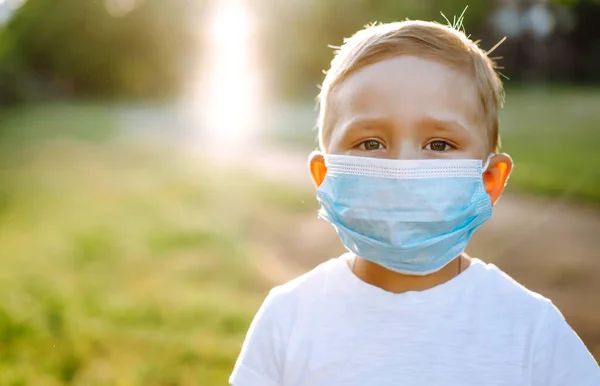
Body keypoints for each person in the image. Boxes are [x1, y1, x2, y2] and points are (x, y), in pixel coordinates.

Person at [229, 20, 600, 386]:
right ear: (325, 176)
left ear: (488, 181)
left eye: (439, 144)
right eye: (371, 143)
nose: (401, 169)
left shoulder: (533, 333)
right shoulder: (288, 319)